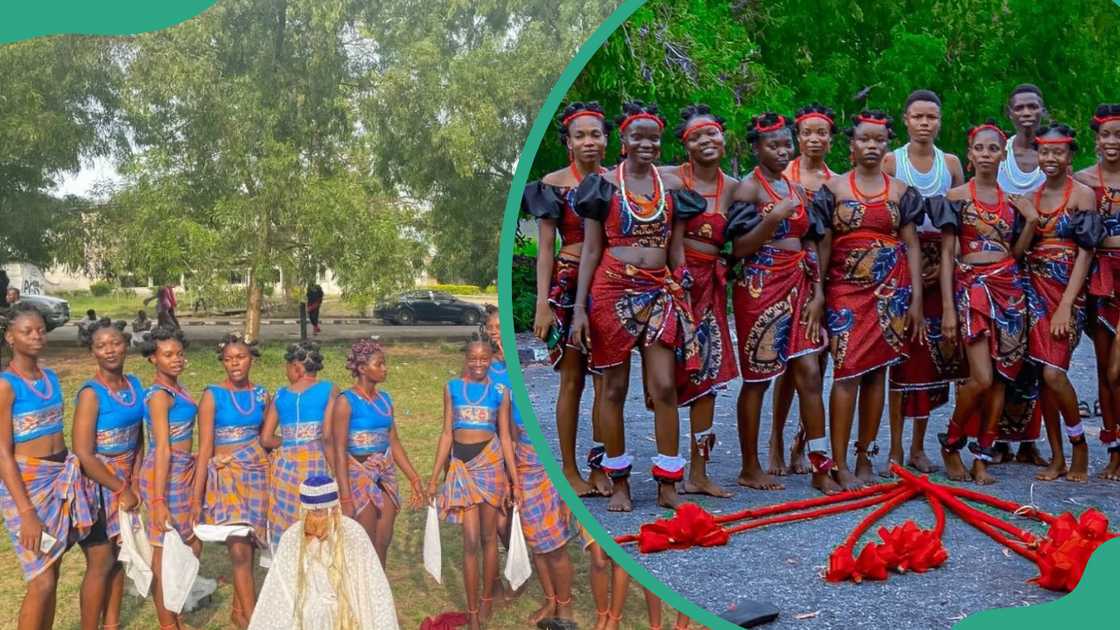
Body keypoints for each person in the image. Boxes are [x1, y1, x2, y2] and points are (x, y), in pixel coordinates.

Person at [570, 101, 705, 511]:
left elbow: (677, 251)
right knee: (613, 388)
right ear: (623, 142)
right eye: (637, 137)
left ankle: (668, 481)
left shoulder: (674, 188)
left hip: (660, 290)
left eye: (653, 138)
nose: (645, 144)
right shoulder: (603, 186)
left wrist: (685, 296)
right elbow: (592, 250)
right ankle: (620, 480)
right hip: (611, 291)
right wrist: (579, 309)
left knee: (664, 386)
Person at [725, 113, 838, 495]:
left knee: (810, 371)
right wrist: (772, 219)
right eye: (772, 145)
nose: (781, 150)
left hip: (801, 283)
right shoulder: (748, 190)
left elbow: (811, 240)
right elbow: (738, 249)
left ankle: (821, 464)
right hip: (759, 287)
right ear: (756, 148)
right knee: (757, 378)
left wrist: (819, 291)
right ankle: (750, 465)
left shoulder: (796, 189)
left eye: (785, 144)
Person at [814, 110, 925, 488]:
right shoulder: (832, 191)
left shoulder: (901, 192)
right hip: (845, 291)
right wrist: (817, 294)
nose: (872, 146)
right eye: (865, 139)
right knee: (845, 371)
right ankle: (838, 461)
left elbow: (911, 245)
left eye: (879, 140)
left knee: (878, 373)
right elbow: (823, 248)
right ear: (851, 145)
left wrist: (916, 301)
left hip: (892, 292)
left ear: (886, 146)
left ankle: (865, 456)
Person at [932, 121, 1037, 483]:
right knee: (980, 377)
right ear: (970, 153)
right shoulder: (956, 197)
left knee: (1002, 379)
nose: (986, 155)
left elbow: (1018, 252)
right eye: (980, 148)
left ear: (1002, 154)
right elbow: (948, 254)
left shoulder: (1014, 202)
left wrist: (1032, 222)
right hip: (971, 290)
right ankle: (951, 443)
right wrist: (947, 308)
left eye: (994, 149)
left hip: (1010, 290)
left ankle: (981, 457)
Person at [522, 101, 611, 497]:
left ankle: (600, 466)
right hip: (568, 283)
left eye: (596, 134)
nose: (589, 142)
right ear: (569, 144)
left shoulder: (618, 181)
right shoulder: (553, 184)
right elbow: (545, 249)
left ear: (607, 141)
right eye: (581, 136)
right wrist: (542, 304)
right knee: (572, 380)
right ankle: (570, 469)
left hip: (610, 286)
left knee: (607, 379)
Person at [881, 90, 966, 476]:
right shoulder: (891, 161)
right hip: (903, 259)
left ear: (940, 120)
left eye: (932, 117)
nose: (925, 123)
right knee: (902, 359)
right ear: (905, 119)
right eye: (918, 117)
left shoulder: (949, 163)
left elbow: (960, 216)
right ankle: (895, 448)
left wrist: (947, 264)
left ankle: (918, 446)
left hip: (942, 262)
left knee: (933, 358)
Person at [659, 104, 739, 498]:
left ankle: (699, 471)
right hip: (673, 283)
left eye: (712, 133)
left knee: (706, 379)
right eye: (696, 136)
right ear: (685, 145)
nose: (706, 141)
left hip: (711, 286)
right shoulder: (670, 179)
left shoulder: (737, 187)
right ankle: (667, 473)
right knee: (669, 377)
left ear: (723, 137)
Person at [0, 305, 95, 630]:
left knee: (51, 574)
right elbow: (2, 453)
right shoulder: (6, 385)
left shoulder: (51, 377)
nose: (36, 336)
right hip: (26, 486)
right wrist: (27, 513)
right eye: (27, 331)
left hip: (58, 481)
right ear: (10, 337)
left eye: (40, 329)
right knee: (40, 581)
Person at [483, 308, 577, 625]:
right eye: (492, 327)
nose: (497, 332)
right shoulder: (487, 368)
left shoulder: (527, 359)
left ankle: (565, 606)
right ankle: (551, 600)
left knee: (552, 539)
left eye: (502, 326)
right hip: (509, 452)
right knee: (533, 534)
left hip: (538, 451)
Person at [1022, 124, 1100, 483]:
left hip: (1067, 291)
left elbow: (1086, 252)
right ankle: (1056, 455)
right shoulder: (1033, 196)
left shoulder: (1082, 195)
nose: (1051, 159)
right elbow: (1019, 251)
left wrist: (1067, 304)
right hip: (1034, 291)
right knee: (1042, 376)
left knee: (1055, 372)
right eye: (1045, 152)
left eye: (1058, 152)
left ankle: (1079, 444)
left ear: (1070, 156)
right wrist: (1027, 221)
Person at [427, 333, 520, 630]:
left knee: (488, 537)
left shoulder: (500, 391)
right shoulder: (452, 388)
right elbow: (445, 434)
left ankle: (487, 599)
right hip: (462, 465)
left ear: (491, 358)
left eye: (484, 358)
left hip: (491, 464)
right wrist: (433, 478)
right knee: (469, 540)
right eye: (473, 358)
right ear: (465, 360)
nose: (478, 364)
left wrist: (513, 480)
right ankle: (472, 610)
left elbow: (505, 436)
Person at [770, 103, 838, 476]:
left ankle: (803, 442)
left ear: (830, 139)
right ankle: (776, 437)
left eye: (822, 133)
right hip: (782, 276)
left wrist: (821, 287)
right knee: (785, 365)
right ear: (798, 137)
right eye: (808, 132)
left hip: (821, 278)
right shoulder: (784, 176)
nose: (815, 139)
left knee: (815, 364)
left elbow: (829, 239)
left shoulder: (834, 182)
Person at [248, 476, 400, 630]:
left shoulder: (353, 534)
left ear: (334, 509)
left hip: (346, 613)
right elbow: (280, 588)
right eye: (311, 513)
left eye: (321, 513)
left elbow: (371, 586)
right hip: (305, 614)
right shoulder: (293, 537)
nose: (315, 519)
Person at [72, 318, 144, 630]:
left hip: (128, 476)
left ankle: (112, 624)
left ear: (126, 345)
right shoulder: (91, 393)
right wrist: (120, 488)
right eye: (101, 346)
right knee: (100, 561)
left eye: (115, 343)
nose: (110, 350)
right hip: (98, 484)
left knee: (120, 555)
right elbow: (84, 453)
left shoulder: (135, 385)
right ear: (93, 352)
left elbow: (141, 436)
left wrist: (137, 477)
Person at [194, 334, 271, 628]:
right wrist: (196, 496)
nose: (234, 364)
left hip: (257, 475)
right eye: (228, 359)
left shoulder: (262, 395)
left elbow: (265, 438)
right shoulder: (212, 395)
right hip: (226, 478)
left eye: (240, 357)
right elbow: (204, 450)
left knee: (249, 546)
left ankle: (239, 612)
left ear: (251, 358)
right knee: (238, 549)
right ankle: (254, 621)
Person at [333, 338, 425, 567]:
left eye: (384, 364)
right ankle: (360, 598)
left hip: (385, 476)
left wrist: (413, 477)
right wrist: (345, 497)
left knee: (382, 541)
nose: (385, 369)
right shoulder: (346, 402)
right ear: (363, 369)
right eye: (379, 364)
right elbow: (338, 450)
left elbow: (393, 440)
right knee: (364, 543)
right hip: (358, 477)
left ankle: (379, 595)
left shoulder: (385, 400)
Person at [136, 324, 200, 629]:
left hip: (182, 468)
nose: (176, 359)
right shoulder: (159, 396)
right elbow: (161, 447)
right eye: (168, 354)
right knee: (165, 550)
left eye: (179, 353)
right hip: (166, 473)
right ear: (153, 359)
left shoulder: (178, 388)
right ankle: (167, 623)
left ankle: (174, 609)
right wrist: (158, 499)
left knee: (187, 543)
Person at [1075, 103, 1120, 480]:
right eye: (1106, 134)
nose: (1112, 141)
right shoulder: (1084, 181)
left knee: (1119, 370)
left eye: (1119, 134)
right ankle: (1114, 450)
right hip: (1100, 278)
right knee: (1106, 372)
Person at [261, 340, 338, 553]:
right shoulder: (329, 389)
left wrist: (290, 443)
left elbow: (266, 439)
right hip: (316, 462)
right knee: (315, 516)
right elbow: (329, 435)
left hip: (285, 465)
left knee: (286, 519)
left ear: (296, 367)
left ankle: (285, 564)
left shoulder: (281, 395)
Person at [998, 84, 1048, 196]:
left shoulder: (1057, 157)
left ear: (1043, 111)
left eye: (1032, 107)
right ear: (1010, 113)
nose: (1026, 113)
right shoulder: (997, 154)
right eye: (1019, 108)